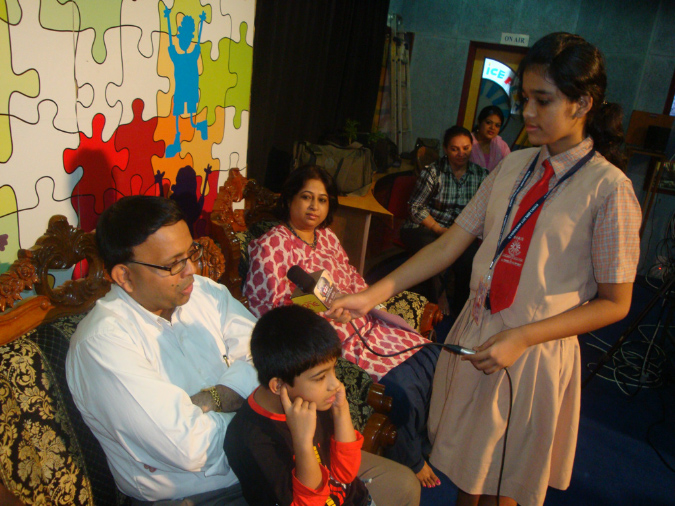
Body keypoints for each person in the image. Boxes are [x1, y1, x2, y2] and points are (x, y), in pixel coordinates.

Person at [327, 32, 642, 506]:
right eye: (524, 99)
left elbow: (616, 303)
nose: (527, 113)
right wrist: (373, 295)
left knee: (505, 481)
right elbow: (450, 244)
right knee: (469, 472)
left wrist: (523, 337)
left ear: (582, 103)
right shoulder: (513, 167)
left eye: (542, 100)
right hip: (478, 331)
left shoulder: (609, 189)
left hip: (533, 350)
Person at [244, 166, 449, 493]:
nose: (314, 207)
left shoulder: (327, 237)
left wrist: (358, 301)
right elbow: (269, 309)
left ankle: (424, 439)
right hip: (324, 335)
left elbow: (354, 278)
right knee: (403, 386)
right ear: (290, 199)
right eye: (306, 197)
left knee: (430, 359)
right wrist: (313, 305)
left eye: (322, 200)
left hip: (360, 318)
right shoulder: (271, 244)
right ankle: (408, 456)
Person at [66, 196, 258, 505]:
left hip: (267, 466)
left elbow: (269, 360)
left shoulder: (205, 293)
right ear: (125, 276)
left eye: (191, 253)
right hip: (202, 497)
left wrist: (216, 396)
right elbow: (190, 447)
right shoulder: (103, 343)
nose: (192, 269)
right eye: (173, 264)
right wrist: (262, 414)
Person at [226, 305, 412, 505]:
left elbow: (347, 473)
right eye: (320, 377)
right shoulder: (250, 439)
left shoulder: (316, 398)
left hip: (356, 498)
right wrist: (303, 442)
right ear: (278, 386)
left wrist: (341, 411)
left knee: (407, 485)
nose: (335, 384)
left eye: (333, 369)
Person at [400, 126, 488, 315]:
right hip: (425, 226)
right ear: (446, 149)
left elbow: (483, 210)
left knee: (471, 260)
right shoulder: (433, 173)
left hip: (458, 232)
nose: (461, 153)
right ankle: (436, 301)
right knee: (432, 252)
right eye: (455, 149)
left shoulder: (481, 175)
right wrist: (438, 229)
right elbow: (415, 207)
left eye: (466, 148)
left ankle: (461, 310)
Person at [469, 105, 511, 172]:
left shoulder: (502, 146)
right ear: (479, 122)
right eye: (488, 122)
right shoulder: (467, 141)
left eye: (497, 125)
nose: (492, 127)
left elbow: (508, 169)